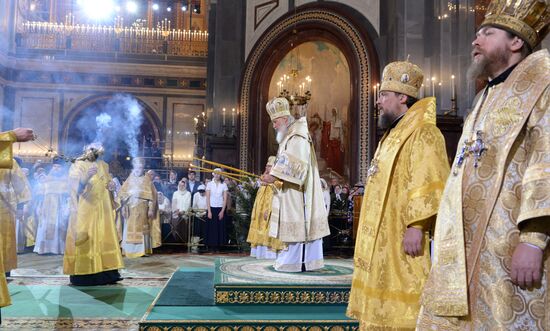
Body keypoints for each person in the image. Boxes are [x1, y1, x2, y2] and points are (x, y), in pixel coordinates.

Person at [418, 1, 550, 329]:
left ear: (516, 42)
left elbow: (545, 160)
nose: (475, 41)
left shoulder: (543, 85)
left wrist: (533, 240)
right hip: (463, 246)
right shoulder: (483, 99)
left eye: (487, 33)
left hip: (511, 244)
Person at [346, 60, 450, 329]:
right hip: (382, 235)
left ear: (403, 97)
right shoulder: (391, 135)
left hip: (403, 234)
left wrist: (416, 225)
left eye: (384, 95)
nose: (378, 102)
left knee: (405, 297)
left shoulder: (425, 132)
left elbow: (430, 180)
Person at [261, 97, 330, 272]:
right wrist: (274, 175)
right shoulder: (289, 135)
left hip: (299, 193)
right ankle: (296, 261)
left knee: (299, 224)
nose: (274, 126)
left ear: (285, 119)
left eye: (276, 122)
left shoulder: (298, 135)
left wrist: (273, 175)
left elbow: (297, 166)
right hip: (291, 190)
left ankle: (296, 262)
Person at [63, 143, 124, 285]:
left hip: (103, 208)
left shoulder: (104, 165)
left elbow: (107, 182)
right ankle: (84, 274)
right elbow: (73, 189)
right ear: (85, 150)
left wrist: (111, 186)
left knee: (104, 237)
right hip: (86, 209)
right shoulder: (78, 164)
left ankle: (108, 273)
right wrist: (85, 177)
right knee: (86, 238)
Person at [0, 128, 35, 312]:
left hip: (4, 208)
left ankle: (4, 272)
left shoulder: (10, 162)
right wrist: (12, 136)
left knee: (4, 243)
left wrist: (23, 205)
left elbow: (21, 185)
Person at [247, 156, 285, 259]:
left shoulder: (277, 182)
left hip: (270, 209)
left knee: (268, 227)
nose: (267, 168)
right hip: (259, 207)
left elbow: (276, 197)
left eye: (269, 166)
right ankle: (259, 252)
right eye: (267, 166)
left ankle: (270, 253)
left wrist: (269, 209)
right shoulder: (264, 179)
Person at [118, 159, 157, 258]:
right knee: (130, 228)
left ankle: (142, 251)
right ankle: (129, 251)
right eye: (137, 167)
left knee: (142, 229)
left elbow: (152, 196)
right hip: (131, 208)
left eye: (140, 167)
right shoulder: (130, 178)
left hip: (143, 208)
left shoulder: (146, 179)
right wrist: (124, 204)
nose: (138, 169)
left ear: (143, 168)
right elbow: (122, 193)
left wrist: (151, 209)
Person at [33, 160, 70, 255]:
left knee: (59, 226)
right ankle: (44, 249)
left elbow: (68, 195)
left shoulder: (66, 180)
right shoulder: (46, 179)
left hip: (60, 207)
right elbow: (39, 195)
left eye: (58, 166)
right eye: (54, 166)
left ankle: (58, 249)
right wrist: (39, 207)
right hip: (47, 209)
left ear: (62, 168)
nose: (56, 168)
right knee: (44, 227)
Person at [205, 168, 228, 252]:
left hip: (220, 208)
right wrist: (209, 211)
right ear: (213, 174)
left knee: (220, 228)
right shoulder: (209, 184)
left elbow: (225, 199)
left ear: (220, 174)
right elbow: (207, 198)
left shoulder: (224, 185)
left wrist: (222, 211)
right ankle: (211, 247)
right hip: (211, 208)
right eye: (216, 173)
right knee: (212, 228)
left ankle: (219, 246)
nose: (217, 175)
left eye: (219, 173)